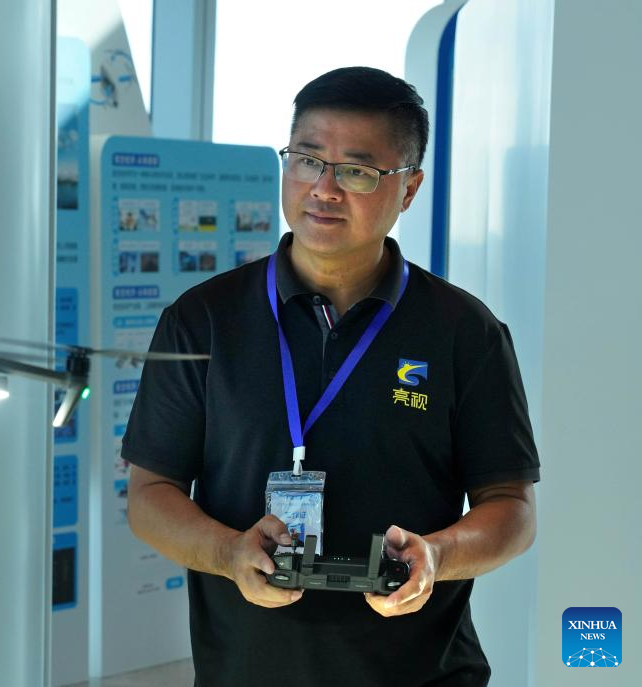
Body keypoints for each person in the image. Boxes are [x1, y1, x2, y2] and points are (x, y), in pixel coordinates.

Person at [122, 66, 539, 687]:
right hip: (247, 669)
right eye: (307, 159)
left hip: (421, 671)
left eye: (357, 171)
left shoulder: (464, 331)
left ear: (409, 188)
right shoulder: (203, 319)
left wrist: (438, 555)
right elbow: (150, 492)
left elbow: (511, 507)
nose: (324, 188)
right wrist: (229, 553)